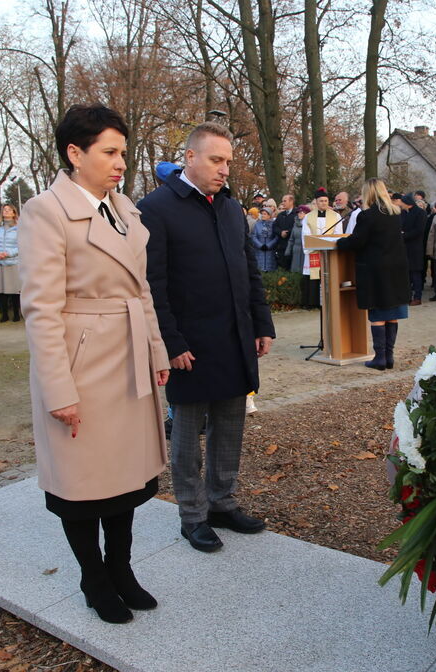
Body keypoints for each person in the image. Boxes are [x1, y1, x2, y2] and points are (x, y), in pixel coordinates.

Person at [19, 103, 171, 625]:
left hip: (128, 358)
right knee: (83, 482)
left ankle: (122, 569)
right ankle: (94, 577)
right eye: (109, 152)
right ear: (74, 153)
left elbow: (142, 289)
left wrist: (156, 350)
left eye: (123, 152)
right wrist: (57, 388)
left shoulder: (124, 208)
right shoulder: (46, 211)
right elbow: (39, 308)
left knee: (124, 475)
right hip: (81, 363)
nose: (120, 163)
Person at [139, 121, 276, 554]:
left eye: (229, 162)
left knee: (231, 425)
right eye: (216, 160)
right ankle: (193, 515)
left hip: (234, 337)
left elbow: (248, 270)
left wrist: (261, 322)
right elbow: (152, 284)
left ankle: (221, 502)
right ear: (190, 158)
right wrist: (171, 342)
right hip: (190, 345)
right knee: (186, 434)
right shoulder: (156, 207)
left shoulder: (232, 209)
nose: (225, 170)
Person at [336, 178, 409, 370]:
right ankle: (389, 357)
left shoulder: (367, 216)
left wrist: (339, 243)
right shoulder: (395, 213)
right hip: (396, 268)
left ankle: (380, 358)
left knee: (377, 313)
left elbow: (357, 241)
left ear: (369, 193)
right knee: (392, 313)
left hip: (376, 270)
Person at [299, 189, 342, 308]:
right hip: (314, 251)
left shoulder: (336, 216)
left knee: (329, 275)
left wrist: (333, 245)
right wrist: (311, 247)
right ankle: (313, 302)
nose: (323, 203)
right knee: (314, 276)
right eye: (321, 201)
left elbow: (338, 233)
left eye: (325, 201)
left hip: (329, 252)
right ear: (316, 202)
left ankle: (330, 301)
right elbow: (305, 235)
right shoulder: (308, 217)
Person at [0, 204, 21, 322]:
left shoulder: (19, 227)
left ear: (13, 213)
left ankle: (17, 314)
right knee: (1, 290)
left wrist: (9, 253)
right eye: (4, 210)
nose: (6, 212)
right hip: (0, 262)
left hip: (13, 262)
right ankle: (5, 314)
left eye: (9, 210)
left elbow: (22, 245)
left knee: (15, 289)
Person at [393, 192, 426, 305]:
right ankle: (406, 296)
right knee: (405, 274)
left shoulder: (420, 213)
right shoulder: (402, 213)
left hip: (415, 248)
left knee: (415, 273)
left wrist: (403, 235)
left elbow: (419, 230)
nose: (400, 204)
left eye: (402, 202)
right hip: (403, 247)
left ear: (408, 203)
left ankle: (417, 297)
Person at [284, 204, 311, 297]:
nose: (299, 214)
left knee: (304, 273)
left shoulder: (308, 224)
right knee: (295, 271)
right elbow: (291, 239)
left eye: (302, 212)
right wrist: (288, 250)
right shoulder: (295, 224)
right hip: (296, 250)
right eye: (298, 212)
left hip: (305, 251)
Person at [250, 206, 278, 272]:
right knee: (259, 270)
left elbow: (276, 237)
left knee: (270, 270)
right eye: (262, 213)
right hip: (259, 250)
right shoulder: (257, 224)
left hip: (270, 251)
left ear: (269, 216)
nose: (262, 215)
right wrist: (260, 245)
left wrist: (269, 245)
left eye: (265, 214)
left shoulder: (274, 224)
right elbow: (253, 236)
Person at [272, 194, 297, 269]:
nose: (282, 203)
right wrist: (280, 232)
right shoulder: (280, 215)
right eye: (282, 201)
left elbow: (297, 227)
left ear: (291, 201)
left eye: (285, 201)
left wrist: (287, 232)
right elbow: (275, 227)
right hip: (281, 247)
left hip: (293, 246)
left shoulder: (296, 214)